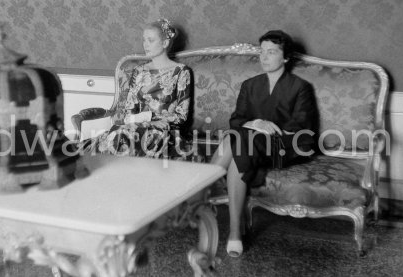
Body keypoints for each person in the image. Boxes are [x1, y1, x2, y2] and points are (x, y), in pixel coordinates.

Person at [211, 30, 318, 257]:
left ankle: (199, 199)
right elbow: (237, 120)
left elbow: (302, 129)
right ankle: (234, 233)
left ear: (286, 57)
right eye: (262, 52)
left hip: (285, 146)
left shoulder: (300, 87)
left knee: (238, 141)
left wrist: (266, 130)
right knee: (240, 144)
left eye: (271, 52)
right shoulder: (250, 85)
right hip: (249, 144)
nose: (264, 57)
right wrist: (257, 122)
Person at [84, 18, 192, 158]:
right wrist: (142, 118)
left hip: (164, 130)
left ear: (165, 43)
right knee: (117, 134)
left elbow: (181, 116)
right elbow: (129, 111)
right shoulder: (139, 71)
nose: (145, 45)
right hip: (136, 126)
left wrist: (152, 119)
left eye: (150, 40)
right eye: (144, 40)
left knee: (124, 137)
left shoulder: (181, 72)